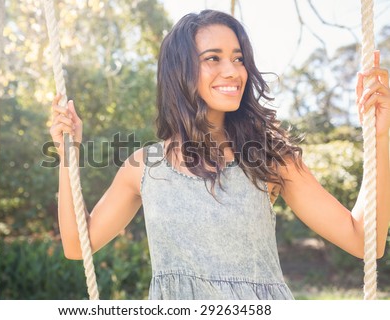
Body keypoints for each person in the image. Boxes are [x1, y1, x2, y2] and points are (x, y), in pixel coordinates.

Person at [49, 10, 390, 299]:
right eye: (213, 58)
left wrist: (381, 137)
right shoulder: (143, 168)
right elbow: (78, 247)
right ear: (179, 71)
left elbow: (364, 242)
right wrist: (68, 153)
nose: (233, 71)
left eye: (238, 58)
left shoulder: (269, 157)